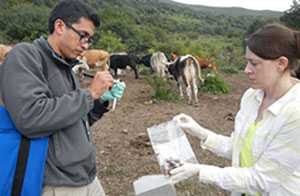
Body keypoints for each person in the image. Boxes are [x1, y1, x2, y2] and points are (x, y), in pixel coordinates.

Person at [0, 0, 125, 196]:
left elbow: (74, 120)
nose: (85, 45)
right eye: (83, 36)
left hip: (87, 176)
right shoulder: (26, 55)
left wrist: (100, 102)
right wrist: (89, 93)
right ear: (59, 26)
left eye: (90, 40)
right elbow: (31, 118)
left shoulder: (66, 67)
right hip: (57, 184)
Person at [170, 23, 300, 196]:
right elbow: (239, 147)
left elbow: (262, 180)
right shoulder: (251, 97)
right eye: (247, 62)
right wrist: (200, 132)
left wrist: (200, 171)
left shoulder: (295, 113)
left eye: (254, 63)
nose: (246, 70)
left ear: (281, 63)